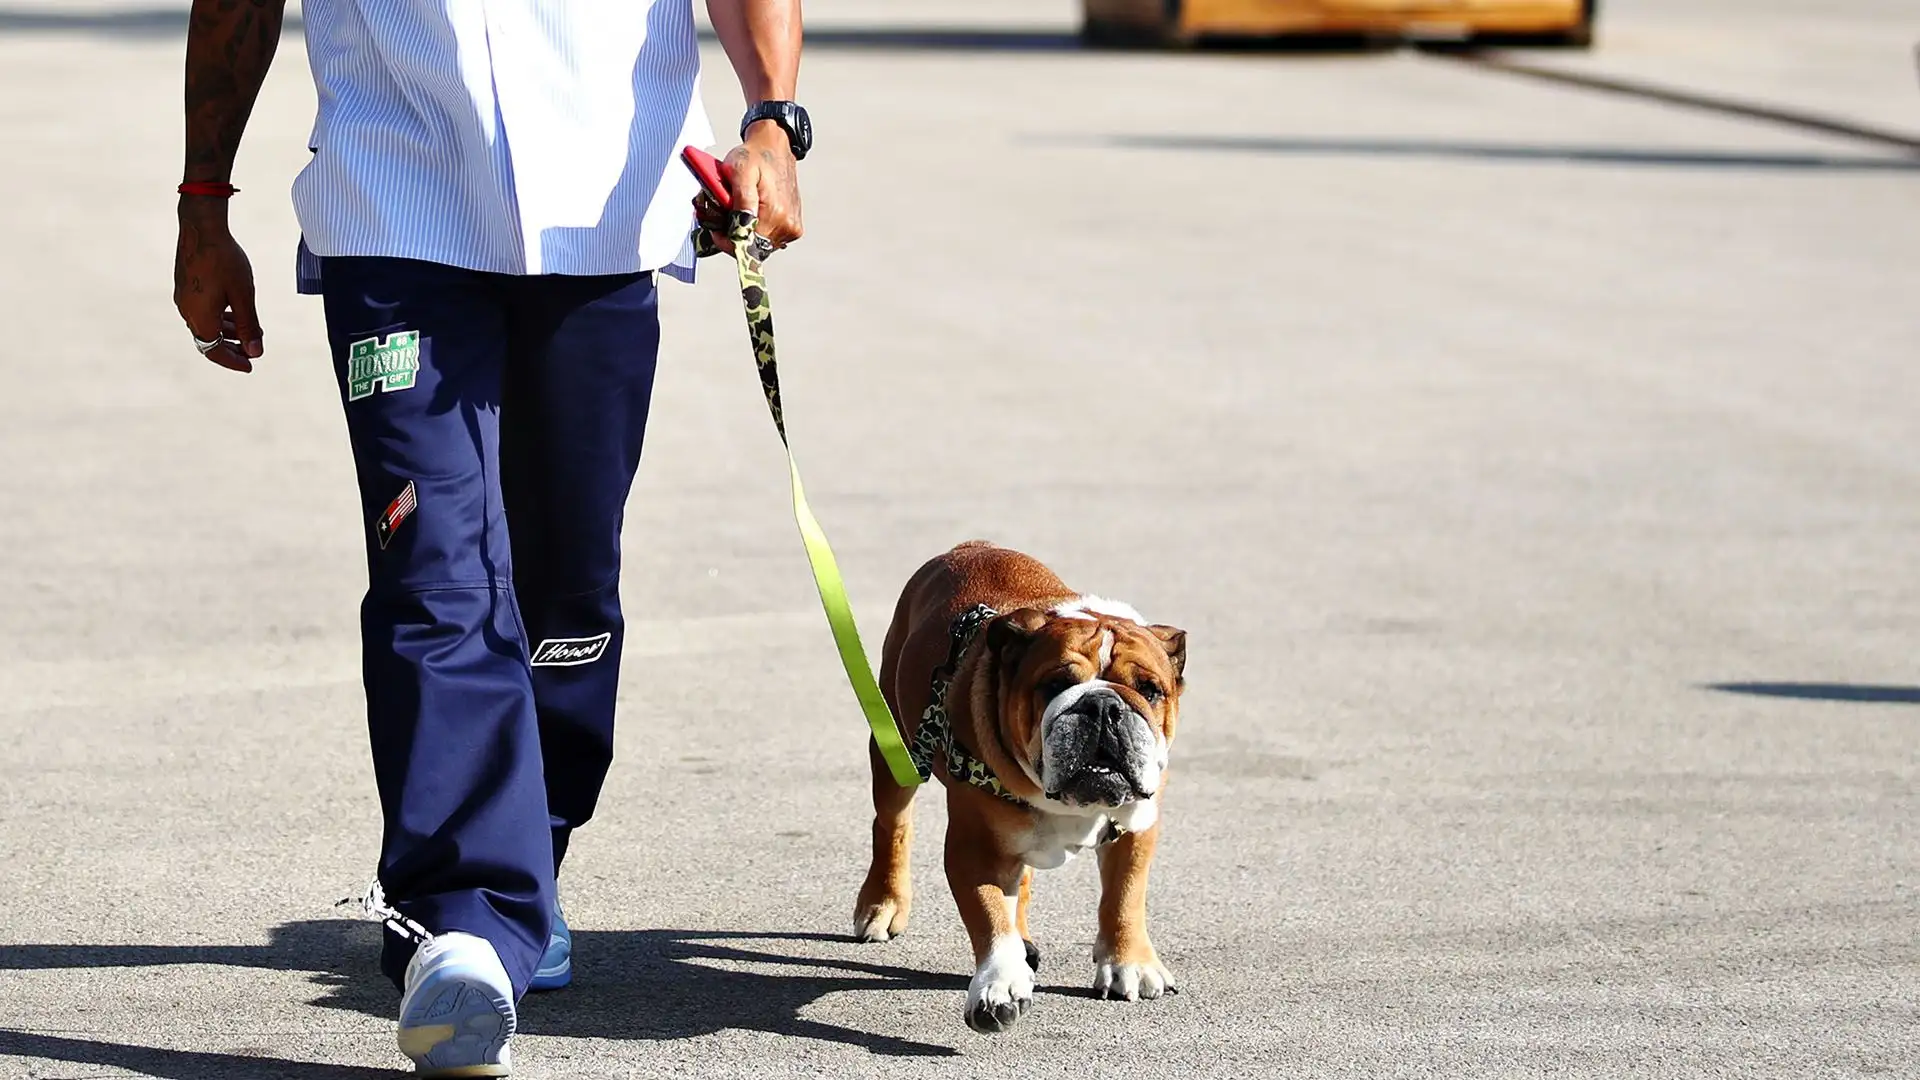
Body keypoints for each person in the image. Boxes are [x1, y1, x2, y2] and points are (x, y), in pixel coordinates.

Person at [172, 0, 808, 1074]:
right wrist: (202, 204)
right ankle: (460, 918)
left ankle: (535, 849)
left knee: (567, 588)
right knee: (435, 574)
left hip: (603, 218)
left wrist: (772, 125)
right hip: (393, 212)